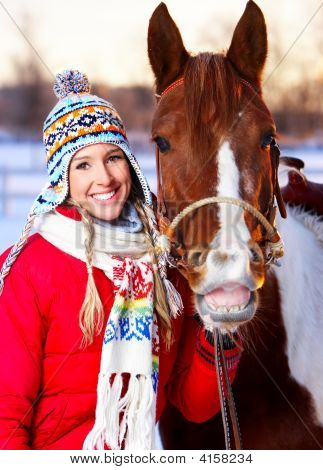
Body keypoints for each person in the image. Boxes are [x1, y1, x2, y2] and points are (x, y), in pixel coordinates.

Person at [0, 70, 241, 450]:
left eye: (113, 157)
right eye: (83, 165)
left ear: (129, 161)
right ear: (60, 179)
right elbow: (6, 410)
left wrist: (219, 334)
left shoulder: (162, 261)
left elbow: (193, 404)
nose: (105, 178)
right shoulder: (32, 266)